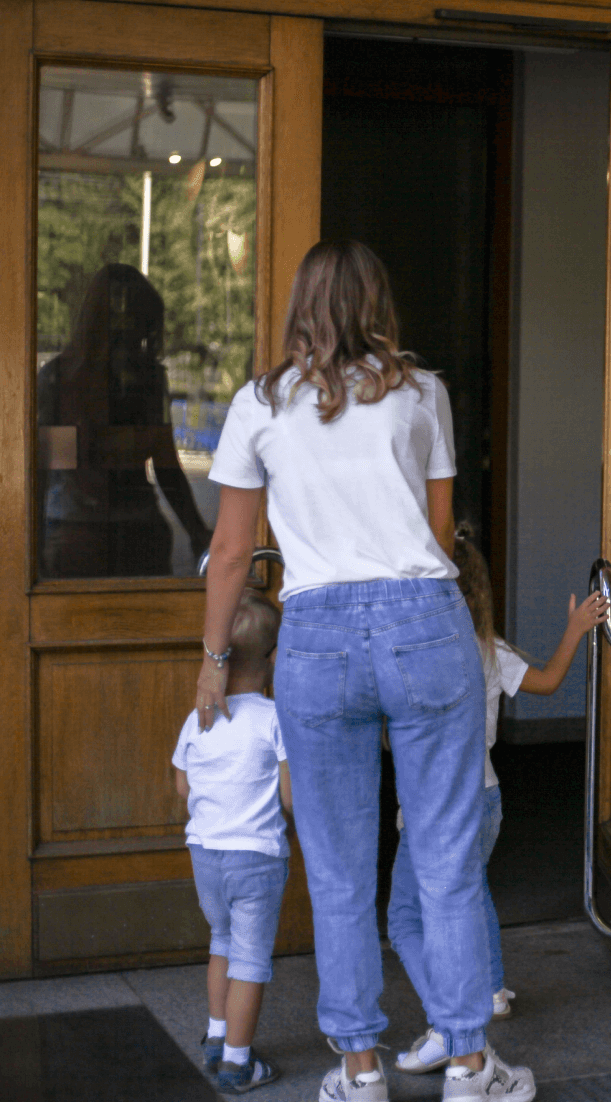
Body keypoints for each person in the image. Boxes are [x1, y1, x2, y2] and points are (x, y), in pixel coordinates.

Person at [195, 240, 535, 1102]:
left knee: (340, 871)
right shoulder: (423, 393)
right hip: (424, 619)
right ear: (379, 303)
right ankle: (467, 1066)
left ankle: (358, 1069)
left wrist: (212, 662)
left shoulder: (259, 405)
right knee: (446, 858)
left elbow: (231, 549)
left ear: (300, 306)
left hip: (315, 634)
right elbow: (440, 529)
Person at [392, 531, 608, 1074]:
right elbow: (552, 681)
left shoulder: (411, 652)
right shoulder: (491, 648)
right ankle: (488, 992)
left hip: (436, 807)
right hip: (487, 798)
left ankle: (450, 1020)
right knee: (469, 892)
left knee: (406, 918)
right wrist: (575, 628)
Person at [172, 587, 290, 1094]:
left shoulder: (198, 716)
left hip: (205, 856)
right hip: (255, 858)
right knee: (250, 961)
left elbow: (183, 784)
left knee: (221, 942)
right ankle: (239, 1064)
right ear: (274, 657)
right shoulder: (273, 718)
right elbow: (290, 798)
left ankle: (217, 1037)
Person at [37, 263, 214, 578]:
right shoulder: (61, 380)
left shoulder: (61, 377)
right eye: (135, 330)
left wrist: (199, 533)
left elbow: (163, 463)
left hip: (110, 531)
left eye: (142, 332)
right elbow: (51, 466)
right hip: (96, 533)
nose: (137, 343)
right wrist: (197, 532)